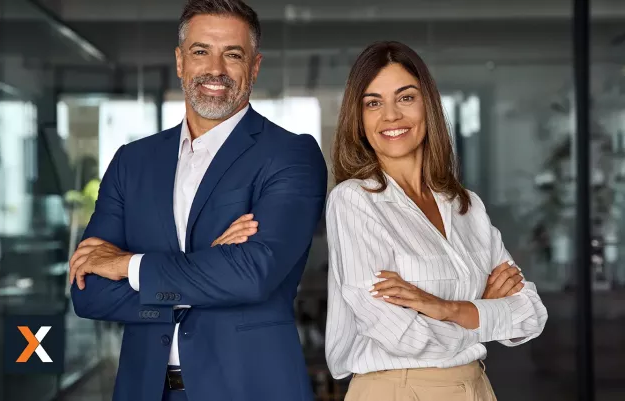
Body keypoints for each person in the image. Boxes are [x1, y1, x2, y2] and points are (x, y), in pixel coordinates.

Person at [68, 1, 327, 400]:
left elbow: (253, 273)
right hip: (145, 390)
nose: (215, 70)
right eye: (201, 51)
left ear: (255, 67)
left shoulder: (290, 155)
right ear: (180, 60)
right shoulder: (132, 162)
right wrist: (208, 271)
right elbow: (89, 292)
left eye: (233, 55)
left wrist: (126, 265)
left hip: (250, 389)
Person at [324, 41, 548, 401]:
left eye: (406, 98)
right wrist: (484, 313)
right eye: (373, 103)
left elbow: (530, 314)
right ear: (359, 118)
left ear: (428, 105)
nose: (391, 116)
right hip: (397, 389)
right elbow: (401, 335)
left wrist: (445, 308)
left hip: (476, 386)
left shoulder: (466, 206)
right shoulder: (354, 201)